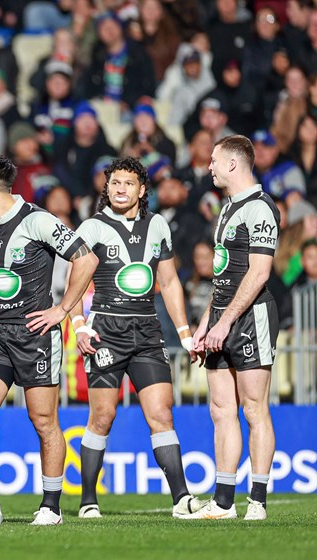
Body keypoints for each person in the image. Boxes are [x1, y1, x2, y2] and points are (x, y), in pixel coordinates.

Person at [0, 153, 98, 526]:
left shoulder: (37, 220)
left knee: (44, 421)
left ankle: (51, 506)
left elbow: (86, 259)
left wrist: (63, 310)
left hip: (36, 334)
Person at [70, 157, 206, 519]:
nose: (120, 189)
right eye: (115, 182)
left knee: (162, 413)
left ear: (142, 190)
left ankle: (181, 500)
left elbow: (171, 281)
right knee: (102, 416)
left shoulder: (158, 224)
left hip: (146, 330)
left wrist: (185, 334)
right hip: (105, 332)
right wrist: (79, 326)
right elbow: (73, 285)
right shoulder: (93, 228)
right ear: (107, 187)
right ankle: (87, 501)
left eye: (128, 183)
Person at [189, 135, 281, 521]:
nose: (208, 166)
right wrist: (205, 322)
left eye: (213, 160)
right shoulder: (227, 209)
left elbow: (259, 272)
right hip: (221, 321)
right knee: (220, 409)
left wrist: (224, 323)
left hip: (251, 317)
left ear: (232, 164)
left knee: (253, 408)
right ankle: (223, 502)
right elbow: (225, 275)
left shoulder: (260, 208)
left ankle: (256, 501)